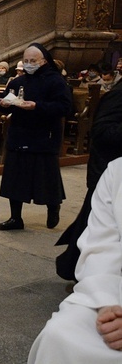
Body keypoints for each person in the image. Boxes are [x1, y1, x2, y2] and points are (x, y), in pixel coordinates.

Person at [28, 158, 122, 363]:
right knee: (59, 335)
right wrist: (107, 305)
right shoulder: (117, 172)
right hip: (114, 290)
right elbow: (101, 246)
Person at [0, 43, 72, 231]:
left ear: (44, 61)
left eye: (33, 61)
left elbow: (65, 107)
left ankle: (53, 207)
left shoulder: (55, 81)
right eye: (26, 61)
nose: (29, 64)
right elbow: (5, 100)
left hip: (43, 136)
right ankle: (16, 218)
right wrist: (3, 104)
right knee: (15, 178)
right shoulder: (17, 81)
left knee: (45, 177)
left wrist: (37, 106)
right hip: (19, 134)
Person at [55, 79, 122, 280]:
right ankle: (81, 272)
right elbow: (101, 132)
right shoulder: (118, 94)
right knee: (97, 229)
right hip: (109, 175)